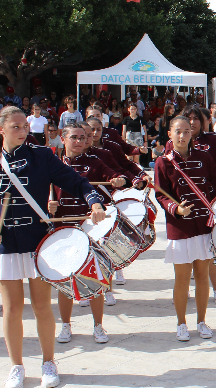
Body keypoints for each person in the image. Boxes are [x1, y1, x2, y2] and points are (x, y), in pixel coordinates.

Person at [0, 106, 107, 388]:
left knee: (42, 306)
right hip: (6, 244)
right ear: (0, 130)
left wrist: (94, 201)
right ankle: (16, 367)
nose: (24, 132)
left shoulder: (41, 156)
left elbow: (77, 182)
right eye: (16, 127)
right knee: (11, 309)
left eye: (25, 126)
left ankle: (48, 362)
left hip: (38, 241)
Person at [155, 116, 216, 342]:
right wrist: (175, 209)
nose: (182, 136)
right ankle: (181, 323)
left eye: (186, 131)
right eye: (177, 131)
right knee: (181, 278)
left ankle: (201, 321)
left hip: (203, 225)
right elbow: (160, 195)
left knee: (202, 276)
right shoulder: (164, 162)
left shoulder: (204, 157)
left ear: (192, 134)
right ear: (169, 134)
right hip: (180, 227)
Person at [50, 124, 127, 345]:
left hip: (90, 230)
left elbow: (113, 175)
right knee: (65, 282)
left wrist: (117, 180)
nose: (79, 141)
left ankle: (98, 325)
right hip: (62, 230)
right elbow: (40, 192)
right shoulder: (52, 165)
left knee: (94, 279)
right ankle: (65, 325)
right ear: (62, 139)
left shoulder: (94, 162)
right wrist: (48, 205)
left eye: (83, 137)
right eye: (74, 137)